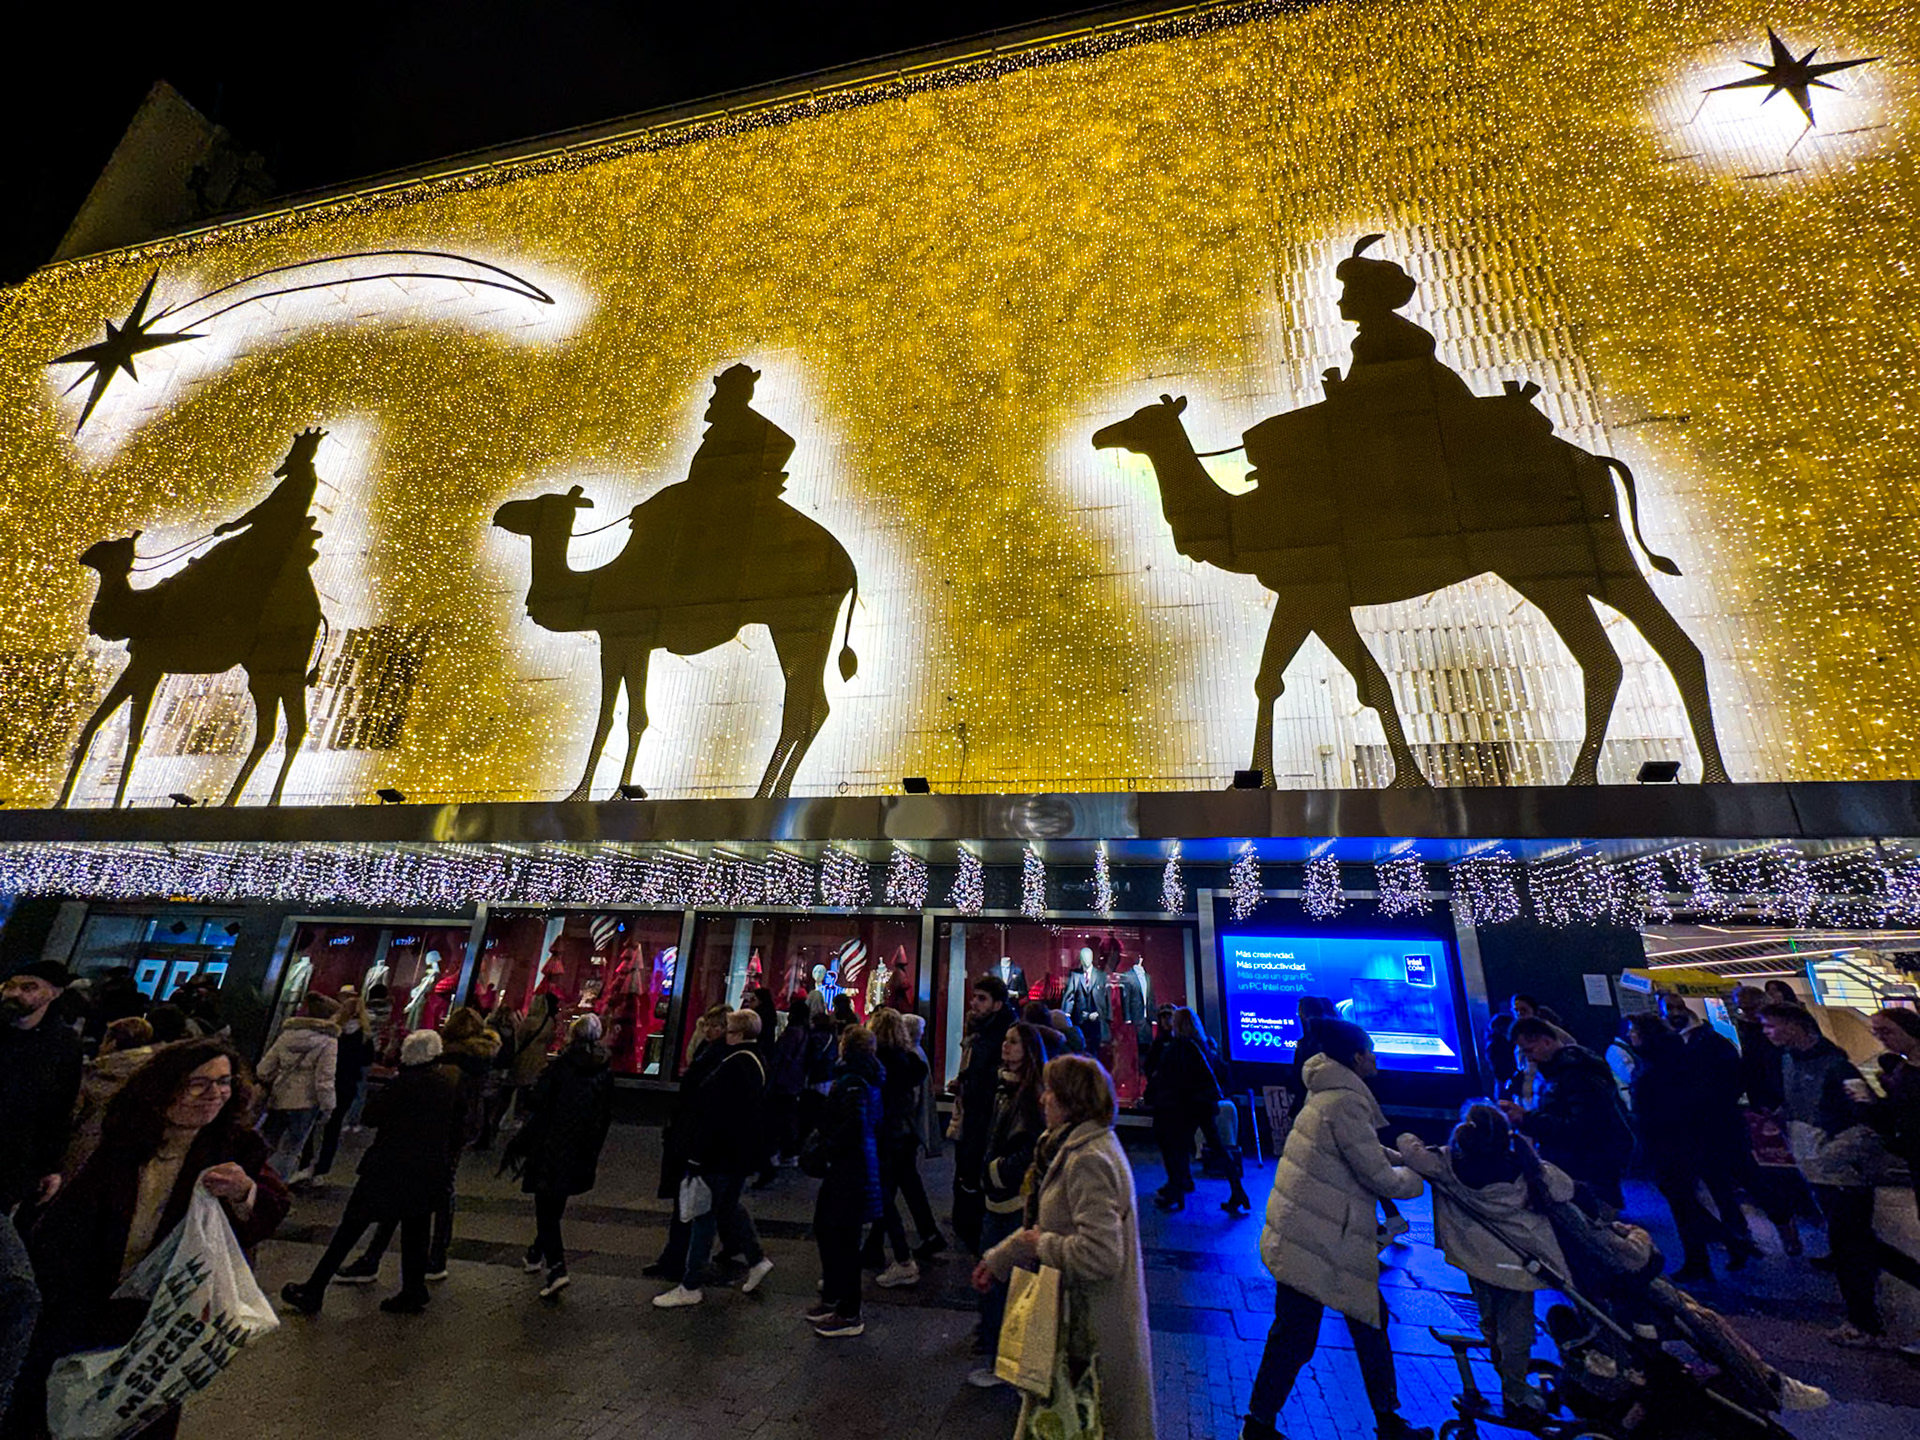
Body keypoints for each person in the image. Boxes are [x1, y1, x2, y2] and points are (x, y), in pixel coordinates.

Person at [21, 1039, 289, 1440]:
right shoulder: (122, 1138)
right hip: (89, 1299)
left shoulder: (235, 1148)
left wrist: (244, 1192)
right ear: (164, 1088)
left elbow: (271, 1208)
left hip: (165, 1312)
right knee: (58, 1402)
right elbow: (66, 1221)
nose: (214, 1093)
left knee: (139, 1417)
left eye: (224, 1082)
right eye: (199, 1083)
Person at [1243, 1020, 1430, 1440]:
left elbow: (1358, 1148)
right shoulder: (1346, 1100)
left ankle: (1261, 1423)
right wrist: (1418, 1175)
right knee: (1341, 1327)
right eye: (1371, 1050)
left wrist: (1399, 1159)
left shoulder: (1326, 1091)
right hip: (1324, 1237)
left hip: (1310, 1229)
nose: (1376, 1058)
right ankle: (1383, 1421)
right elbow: (1376, 1175)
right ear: (1357, 1057)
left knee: (1309, 1331)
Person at [978, 1055, 1155, 1440]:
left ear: (1071, 1101)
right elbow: (1051, 1224)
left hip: (1087, 1335)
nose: (1043, 1099)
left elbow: (1100, 1255)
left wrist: (1042, 1245)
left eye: (1051, 1092)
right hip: (1073, 1324)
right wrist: (1002, 1258)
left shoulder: (1089, 1159)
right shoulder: (1070, 1147)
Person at [1397, 1106, 1574, 1417]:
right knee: (1516, 1329)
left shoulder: (1449, 1166)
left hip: (1478, 1261)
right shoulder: (1527, 1170)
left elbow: (1410, 1149)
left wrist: (1408, 1137)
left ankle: (1499, 1361)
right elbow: (1565, 1189)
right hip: (1521, 1264)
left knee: (1490, 1318)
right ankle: (1515, 1390)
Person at [1762, 1002, 1920, 1347]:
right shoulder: (1790, 1061)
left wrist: (1834, 1154)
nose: (1767, 1032)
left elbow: (1867, 1118)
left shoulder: (1835, 1066)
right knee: (1856, 1242)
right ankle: (1865, 1317)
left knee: (1852, 1244)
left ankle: (1865, 1322)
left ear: (1795, 1025)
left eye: (1772, 1025)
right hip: (1819, 1164)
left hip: (1840, 1168)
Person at [280, 1029, 466, 1316]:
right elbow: (458, 1129)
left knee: (351, 1227)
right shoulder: (447, 1086)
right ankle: (413, 1289)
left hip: (388, 1168)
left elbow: (371, 1116)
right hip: (428, 1171)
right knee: (416, 1232)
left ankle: (315, 1288)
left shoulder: (402, 1084)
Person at [335, 1006, 499, 1285]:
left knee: (406, 1196)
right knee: (437, 1197)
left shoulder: (449, 1065)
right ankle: (433, 1257)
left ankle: (377, 1258)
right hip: (453, 1140)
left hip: (429, 1140)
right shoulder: (479, 1062)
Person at [1625, 1013, 1757, 1281]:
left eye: (1634, 1031)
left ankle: (1717, 1247)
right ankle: (1709, 1252)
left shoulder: (1655, 1064)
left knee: (1681, 1200)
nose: (1630, 1035)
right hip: (1684, 1139)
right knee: (1683, 1200)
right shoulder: (1677, 1055)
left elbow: (1660, 1104)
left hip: (1669, 1141)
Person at [654, 1009, 773, 1308]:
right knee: (727, 1206)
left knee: (704, 1215)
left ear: (738, 1033)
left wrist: (697, 1155)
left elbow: (715, 1113)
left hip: (719, 1153)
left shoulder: (733, 1065)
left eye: (729, 1030)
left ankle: (691, 1283)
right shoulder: (756, 1061)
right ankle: (756, 1258)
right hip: (738, 1152)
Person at [508, 1014, 614, 1300]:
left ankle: (557, 1267)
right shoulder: (604, 1070)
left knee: (546, 1207)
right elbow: (605, 1113)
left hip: (551, 1144)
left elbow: (538, 1100)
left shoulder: (562, 1066)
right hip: (581, 1148)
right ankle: (535, 1253)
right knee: (555, 1202)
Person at [966, 1019, 1047, 1387]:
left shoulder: (1027, 1096)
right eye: (1006, 1040)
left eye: (1014, 1042)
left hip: (1013, 1200)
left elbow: (1028, 1148)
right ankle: (997, 1347)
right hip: (998, 1196)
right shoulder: (1004, 1088)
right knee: (995, 1272)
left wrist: (996, 1172)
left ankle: (1006, 1358)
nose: (1005, 1046)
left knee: (1006, 1279)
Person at [1499, 1016, 1631, 1208]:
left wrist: (1526, 1119)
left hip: (1588, 1168)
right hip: (1583, 1165)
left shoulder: (1576, 1074)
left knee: (1595, 1218)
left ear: (1546, 1041)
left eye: (1529, 1050)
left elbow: (1583, 1128)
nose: (1528, 1057)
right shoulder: (1563, 1071)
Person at [806, 1023, 883, 1338]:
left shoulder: (852, 1081)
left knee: (841, 1235)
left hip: (849, 1168)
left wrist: (826, 1148)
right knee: (833, 1230)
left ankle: (848, 1309)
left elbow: (853, 1124)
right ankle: (837, 1298)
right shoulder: (867, 1077)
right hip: (857, 1165)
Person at [645, 1007, 730, 1281]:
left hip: (694, 1139)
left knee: (692, 1204)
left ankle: (683, 1262)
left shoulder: (717, 1058)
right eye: (707, 1025)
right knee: (688, 1202)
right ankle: (677, 1258)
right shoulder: (709, 1053)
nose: (709, 1031)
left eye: (715, 1026)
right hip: (689, 1136)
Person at [0, 961, 84, 1220]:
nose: (15, 994)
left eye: (29, 988)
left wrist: (50, 1165)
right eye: (10, 986)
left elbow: (60, 1108)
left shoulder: (63, 1044)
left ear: (54, 993)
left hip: (11, 1160)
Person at [1147, 1006, 1250, 1215]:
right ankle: (1237, 1190)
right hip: (1203, 1105)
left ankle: (1176, 1191)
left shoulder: (1178, 1047)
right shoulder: (1203, 1044)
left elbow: (1164, 1077)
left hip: (1183, 1106)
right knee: (1217, 1146)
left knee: (1176, 1148)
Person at [864, 1007, 942, 1285]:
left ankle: (900, 1256)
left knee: (885, 1194)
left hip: (887, 1136)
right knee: (900, 1187)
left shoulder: (879, 1065)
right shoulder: (911, 1062)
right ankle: (920, 1237)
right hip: (904, 1136)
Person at [951, 974, 1014, 1253]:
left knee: (976, 1172)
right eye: (974, 997)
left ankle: (973, 1231)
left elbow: (993, 1079)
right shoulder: (981, 1031)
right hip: (974, 1113)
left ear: (997, 1004)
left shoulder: (1000, 1036)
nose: (974, 1003)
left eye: (982, 999)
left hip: (985, 1118)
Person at [254, 991, 340, 1183]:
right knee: (290, 1150)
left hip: (279, 1096)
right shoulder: (329, 1041)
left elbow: (263, 1069)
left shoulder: (287, 1035)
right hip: (305, 1102)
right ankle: (274, 1186)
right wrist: (328, 1106)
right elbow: (324, 1079)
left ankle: (254, 1178)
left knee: (267, 1144)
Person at [65, 1015, 156, 1177]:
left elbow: (71, 1114)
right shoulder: (150, 1075)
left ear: (112, 1043)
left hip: (84, 1152)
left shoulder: (99, 1074)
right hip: (127, 1161)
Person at [1856, 1008, 1920, 1221]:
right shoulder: (1901, 1069)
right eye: (1876, 1032)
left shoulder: (1905, 1071)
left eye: (1887, 1031)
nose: (1882, 1038)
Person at [309, 985, 377, 1176]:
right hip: (347, 1085)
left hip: (326, 1079)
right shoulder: (364, 1036)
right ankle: (322, 1167)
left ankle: (306, 1161)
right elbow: (367, 1061)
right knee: (334, 1126)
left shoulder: (333, 1032)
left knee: (312, 1123)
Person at [764, 995, 814, 1174]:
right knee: (788, 1117)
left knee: (778, 1118)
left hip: (783, 1082)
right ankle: (788, 1152)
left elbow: (781, 1058)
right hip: (795, 1082)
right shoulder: (806, 1033)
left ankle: (777, 1153)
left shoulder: (792, 1033)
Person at [508, 990, 560, 1124]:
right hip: (539, 1059)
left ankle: (512, 1115)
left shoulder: (530, 1022)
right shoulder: (550, 1022)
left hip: (524, 1058)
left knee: (516, 1089)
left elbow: (519, 1039)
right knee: (528, 1088)